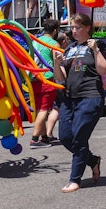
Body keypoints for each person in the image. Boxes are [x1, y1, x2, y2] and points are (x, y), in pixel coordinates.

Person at [52, 13, 106, 192]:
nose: (73, 31)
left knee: (79, 137)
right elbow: (61, 77)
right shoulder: (70, 49)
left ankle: (75, 179)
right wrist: (57, 63)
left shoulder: (97, 45)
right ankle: (92, 160)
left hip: (90, 97)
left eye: (78, 27)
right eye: (72, 28)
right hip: (69, 98)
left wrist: (96, 50)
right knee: (65, 137)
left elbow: (103, 69)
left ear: (87, 28)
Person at [29, 19, 61, 148]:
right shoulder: (54, 44)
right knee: (44, 109)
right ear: (55, 31)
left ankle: (44, 137)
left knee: (39, 109)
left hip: (34, 77)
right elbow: (56, 62)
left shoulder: (35, 41)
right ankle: (34, 139)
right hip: (47, 79)